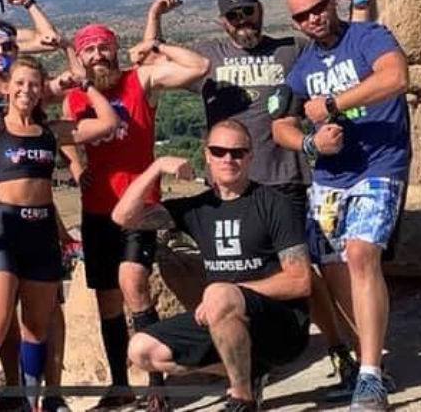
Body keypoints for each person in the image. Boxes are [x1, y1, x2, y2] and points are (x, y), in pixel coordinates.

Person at [139, 0, 373, 398]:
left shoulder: (290, 48)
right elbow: (150, 59)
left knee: (306, 272)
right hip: (232, 186)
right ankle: (250, 365)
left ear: (260, 10)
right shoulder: (208, 56)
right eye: (233, 15)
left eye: (248, 11)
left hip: (285, 177)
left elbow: (342, 54)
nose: (242, 19)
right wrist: (154, 15)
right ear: (222, 21)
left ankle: (342, 351)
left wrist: (358, 4)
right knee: (240, 274)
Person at [0, 57, 120, 412]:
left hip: (41, 234)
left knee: (36, 328)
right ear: (8, 88)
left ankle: (32, 404)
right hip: (4, 231)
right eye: (19, 83)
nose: (26, 90)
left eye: (33, 84)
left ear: (42, 88)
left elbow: (109, 122)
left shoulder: (52, 131)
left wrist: (85, 84)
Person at [271, 0, 410, 412]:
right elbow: (281, 125)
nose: (312, 18)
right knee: (333, 269)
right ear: (295, 22)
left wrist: (332, 103)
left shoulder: (368, 36)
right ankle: (369, 363)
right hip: (330, 176)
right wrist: (310, 144)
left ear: (331, 3)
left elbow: (395, 77)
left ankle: (369, 377)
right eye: (302, 15)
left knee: (361, 253)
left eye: (317, 8)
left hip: (379, 165)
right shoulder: (303, 67)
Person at [112, 119, 312, 412]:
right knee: (141, 350)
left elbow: (300, 281)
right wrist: (156, 167)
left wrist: (231, 293)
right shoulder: (197, 208)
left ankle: (242, 400)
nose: (228, 159)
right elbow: (122, 217)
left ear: (250, 156)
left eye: (237, 152)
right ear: (207, 155)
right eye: (219, 151)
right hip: (222, 317)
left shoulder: (275, 204)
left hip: (279, 326)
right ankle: (250, 372)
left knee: (220, 293)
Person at [63, 24, 209, 411]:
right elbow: (63, 136)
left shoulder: (139, 80)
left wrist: (157, 43)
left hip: (138, 205)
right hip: (96, 207)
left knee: (133, 282)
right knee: (107, 300)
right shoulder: (74, 97)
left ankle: (157, 386)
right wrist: (77, 168)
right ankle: (120, 386)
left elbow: (198, 67)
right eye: (89, 50)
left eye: (104, 47)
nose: (98, 55)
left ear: (116, 49)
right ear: (80, 57)